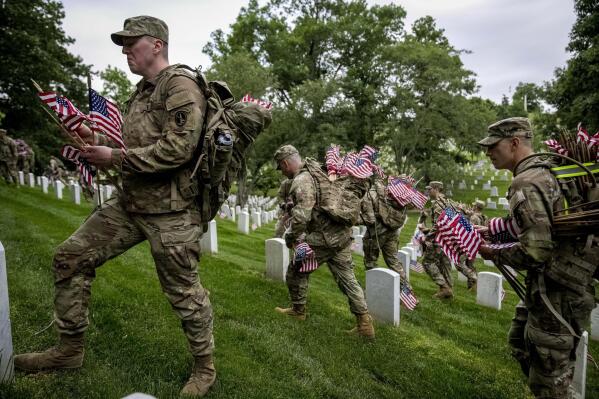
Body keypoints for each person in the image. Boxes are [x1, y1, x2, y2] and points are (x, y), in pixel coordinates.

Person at [14, 16, 215, 397]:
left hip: (171, 211)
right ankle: (68, 351)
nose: (124, 51)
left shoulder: (181, 86)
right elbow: (130, 140)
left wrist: (114, 159)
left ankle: (204, 368)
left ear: (156, 45)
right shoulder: (141, 92)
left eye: (131, 43)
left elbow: (178, 149)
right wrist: (94, 138)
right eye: (122, 44)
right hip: (131, 204)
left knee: (184, 294)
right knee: (70, 257)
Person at [477, 117, 597, 398]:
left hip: (558, 291)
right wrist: (497, 231)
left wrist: (491, 252)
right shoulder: (547, 171)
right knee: (520, 341)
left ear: (514, 143)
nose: (488, 152)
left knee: (550, 380)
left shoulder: (526, 182)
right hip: (555, 284)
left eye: (493, 146)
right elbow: (545, 226)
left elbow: (536, 251)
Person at [273, 145, 375, 339]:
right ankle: (364, 324)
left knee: (296, 270)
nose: (282, 171)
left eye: (281, 167)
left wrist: (292, 238)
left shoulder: (302, 180)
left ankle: (298, 310)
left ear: (285, 163)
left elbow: (302, 215)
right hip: (341, 236)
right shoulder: (318, 171)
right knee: (348, 279)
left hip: (323, 239)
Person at [361, 178, 412, 289]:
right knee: (394, 262)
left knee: (371, 262)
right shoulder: (402, 202)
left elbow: (369, 219)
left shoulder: (373, 195)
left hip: (375, 234)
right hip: (392, 234)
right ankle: (407, 291)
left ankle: (373, 288)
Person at [418, 181, 454, 299]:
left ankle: (444, 287)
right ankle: (448, 289)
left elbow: (439, 224)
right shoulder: (447, 201)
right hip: (448, 238)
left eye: (430, 189)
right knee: (445, 263)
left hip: (439, 239)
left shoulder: (438, 204)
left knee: (427, 262)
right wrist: (429, 230)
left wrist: (428, 236)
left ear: (436, 189)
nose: (428, 192)